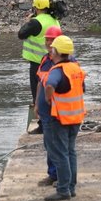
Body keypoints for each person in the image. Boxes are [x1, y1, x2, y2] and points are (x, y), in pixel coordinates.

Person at [42, 36, 86, 201]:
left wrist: (48, 98)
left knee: (60, 154)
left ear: (57, 52)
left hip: (60, 118)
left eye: (52, 49)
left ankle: (63, 190)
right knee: (70, 152)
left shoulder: (58, 70)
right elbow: (82, 88)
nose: (50, 52)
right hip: (76, 116)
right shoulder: (76, 68)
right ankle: (71, 187)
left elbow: (50, 85)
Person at [18, 0, 60, 135]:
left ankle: (42, 125)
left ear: (36, 8)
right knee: (52, 93)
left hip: (38, 63)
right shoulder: (54, 20)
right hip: (53, 60)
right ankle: (53, 120)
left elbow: (21, 34)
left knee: (38, 94)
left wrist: (29, 21)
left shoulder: (36, 22)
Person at [35, 27, 64, 188]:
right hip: (46, 109)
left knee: (58, 143)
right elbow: (41, 82)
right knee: (48, 142)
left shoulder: (65, 61)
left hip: (58, 109)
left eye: (51, 40)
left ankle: (61, 176)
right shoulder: (45, 60)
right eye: (47, 39)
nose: (48, 42)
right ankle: (52, 174)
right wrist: (37, 103)